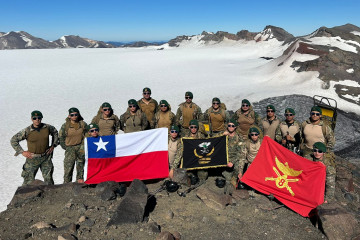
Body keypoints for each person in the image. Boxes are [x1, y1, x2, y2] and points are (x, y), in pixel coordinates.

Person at [10, 110, 59, 185]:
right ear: (31, 119)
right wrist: (22, 152)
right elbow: (14, 140)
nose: (37, 120)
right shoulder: (27, 130)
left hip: (45, 157)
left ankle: (50, 196)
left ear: (41, 118)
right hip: (32, 159)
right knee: (28, 181)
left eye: (39, 118)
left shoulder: (47, 127)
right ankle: (25, 196)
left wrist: (53, 145)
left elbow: (55, 132)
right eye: (34, 118)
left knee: (49, 180)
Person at [59, 107, 87, 183]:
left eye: (76, 114)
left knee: (80, 167)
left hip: (80, 148)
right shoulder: (65, 126)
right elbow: (61, 137)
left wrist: (84, 145)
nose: (74, 116)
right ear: (69, 116)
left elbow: (88, 134)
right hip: (70, 148)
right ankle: (66, 185)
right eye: (72, 115)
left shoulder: (82, 124)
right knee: (68, 168)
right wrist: (65, 147)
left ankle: (79, 185)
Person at [222, 119, 245, 195]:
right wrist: (222, 135)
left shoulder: (239, 137)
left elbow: (240, 153)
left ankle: (234, 177)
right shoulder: (224, 134)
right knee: (227, 178)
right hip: (224, 158)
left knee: (237, 166)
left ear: (235, 127)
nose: (230, 127)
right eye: (229, 126)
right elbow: (213, 140)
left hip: (234, 159)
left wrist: (232, 162)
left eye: (232, 126)